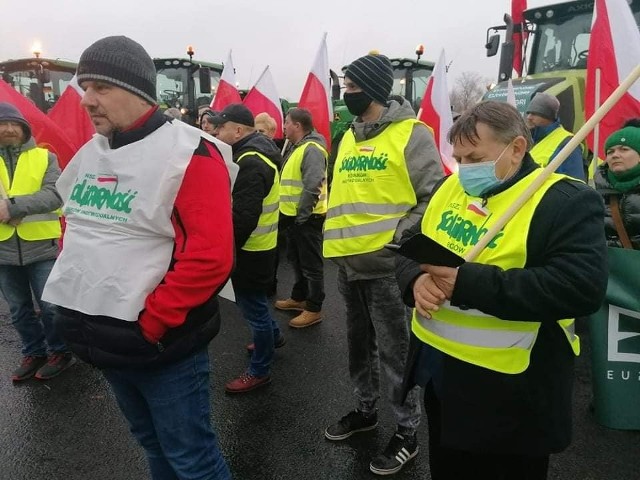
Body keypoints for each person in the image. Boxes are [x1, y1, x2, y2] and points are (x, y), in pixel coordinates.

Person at [41, 36, 236, 480]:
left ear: (138, 92)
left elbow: (209, 258)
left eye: (101, 88)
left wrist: (150, 324)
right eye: (84, 87)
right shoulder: (92, 152)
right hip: (103, 340)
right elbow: (76, 223)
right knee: (152, 444)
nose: (87, 100)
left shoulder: (189, 155)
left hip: (159, 345)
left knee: (192, 459)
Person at [396, 101, 608, 479]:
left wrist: (467, 283)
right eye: (459, 158)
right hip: (442, 379)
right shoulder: (452, 189)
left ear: (516, 148)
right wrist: (416, 279)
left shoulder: (564, 201)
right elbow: (413, 244)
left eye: (475, 157)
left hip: (511, 398)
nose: (464, 169)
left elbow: (580, 288)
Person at [322, 53, 443, 476]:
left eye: (352, 87)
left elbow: (432, 198)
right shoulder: (349, 136)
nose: (345, 93)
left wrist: (396, 242)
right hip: (348, 265)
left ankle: (407, 432)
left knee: (397, 354)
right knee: (359, 348)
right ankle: (366, 410)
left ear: (373, 88)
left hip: (389, 269)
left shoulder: (412, 134)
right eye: (344, 86)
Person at [210, 103, 285, 393]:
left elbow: (243, 218)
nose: (216, 131)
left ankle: (260, 370)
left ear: (238, 130)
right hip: (261, 248)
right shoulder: (255, 152)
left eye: (221, 127)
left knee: (253, 308)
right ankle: (273, 335)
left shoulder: (251, 161)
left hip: (251, 251)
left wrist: (225, 251)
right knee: (255, 305)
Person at [0, 102, 75, 382]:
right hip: (3, 251)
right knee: (19, 310)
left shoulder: (44, 158)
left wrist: (14, 207)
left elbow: (55, 196)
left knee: (52, 307)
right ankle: (33, 352)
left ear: (23, 129)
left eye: (14, 124)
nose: (8, 129)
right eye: (2, 124)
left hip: (41, 248)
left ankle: (60, 352)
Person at [275, 107, 327, 328]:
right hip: (295, 217)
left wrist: (302, 217)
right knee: (297, 261)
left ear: (297, 125)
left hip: (307, 218)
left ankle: (314, 308)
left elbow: (312, 185)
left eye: (286, 122)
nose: (284, 126)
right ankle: (299, 298)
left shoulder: (312, 148)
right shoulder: (298, 147)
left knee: (311, 265)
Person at [594, 119, 640, 249]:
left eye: (624, 149)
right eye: (610, 152)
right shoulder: (596, 195)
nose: (615, 155)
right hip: (611, 267)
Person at [525, 92, 585, 180]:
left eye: (534, 113)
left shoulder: (568, 143)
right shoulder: (530, 141)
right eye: (528, 113)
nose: (529, 117)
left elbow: (574, 183)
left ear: (548, 117)